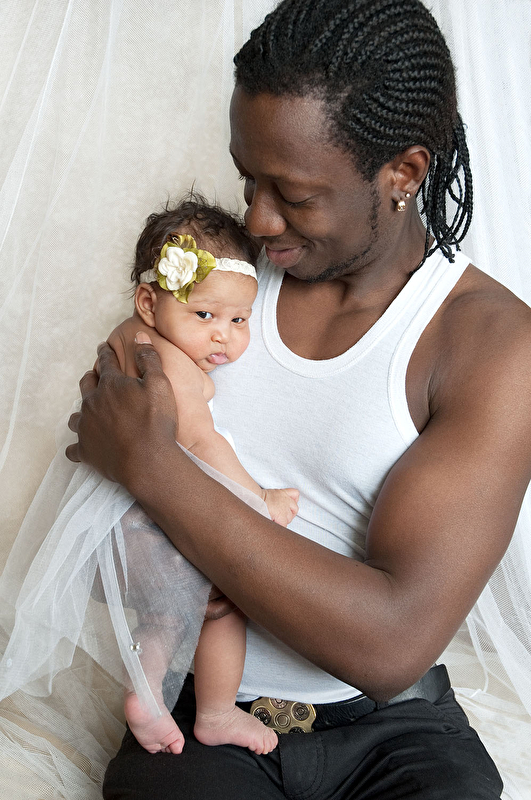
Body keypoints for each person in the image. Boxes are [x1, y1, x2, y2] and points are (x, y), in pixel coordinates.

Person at [67, 1, 531, 797]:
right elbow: (101, 456)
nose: (256, 217)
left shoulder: (490, 346)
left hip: (393, 729)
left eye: (293, 194)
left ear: (402, 174)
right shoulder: (220, 282)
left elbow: (389, 643)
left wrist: (155, 469)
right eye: (247, 179)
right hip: (206, 711)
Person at [0, 199, 297, 759]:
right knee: (227, 604)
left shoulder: (129, 338)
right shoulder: (170, 364)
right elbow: (200, 442)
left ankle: (147, 692)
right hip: (151, 513)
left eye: (238, 321)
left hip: (117, 517)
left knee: (168, 611)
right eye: (205, 315)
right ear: (148, 301)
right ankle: (216, 712)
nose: (223, 337)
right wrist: (260, 499)